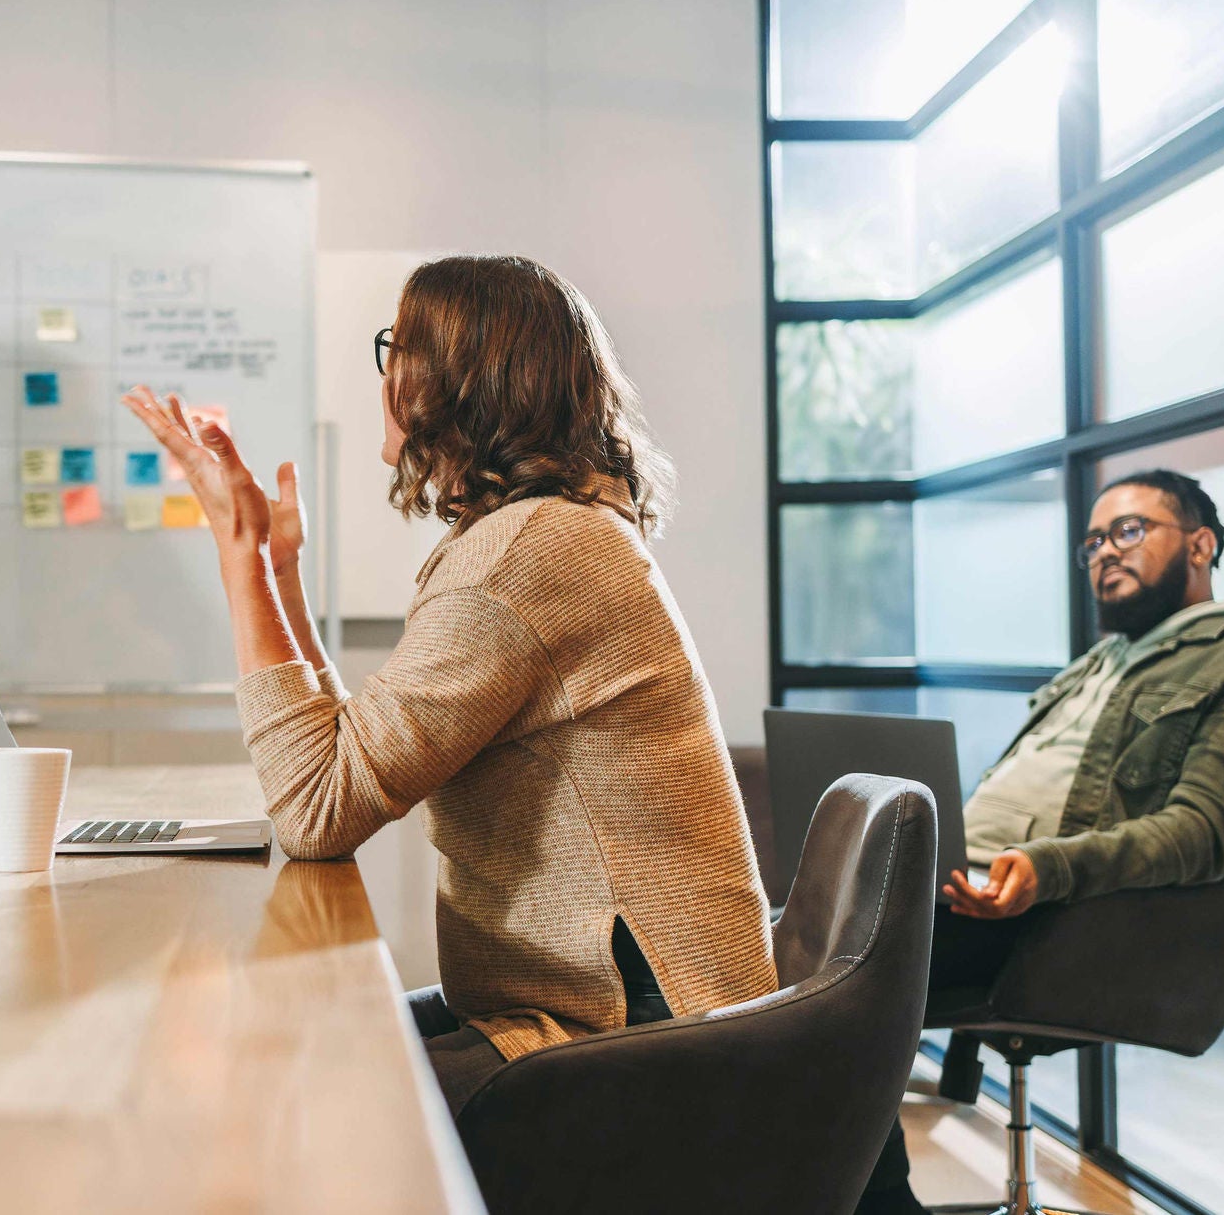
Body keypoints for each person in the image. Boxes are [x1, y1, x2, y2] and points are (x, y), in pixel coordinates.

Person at [123, 254, 777, 1115]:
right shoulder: (543, 534)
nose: (386, 371)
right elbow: (349, 759)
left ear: (455, 382)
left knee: (301, 1100)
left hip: (643, 1036)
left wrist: (238, 554)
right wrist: (278, 574)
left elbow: (316, 809)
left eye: (399, 346)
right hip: (603, 1007)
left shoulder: (525, 557)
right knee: (305, 1045)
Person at [858, 470, 1224, 1214]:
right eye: (1091, 541)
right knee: (775, 935)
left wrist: (1046, 870)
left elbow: (1206, 832)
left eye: (1129, 530)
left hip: (1057, 920)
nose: (1103, 552)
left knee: (829, 972)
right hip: (963, 884)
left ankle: (879, 1201)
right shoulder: (1094, 664)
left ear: (1201, 545)